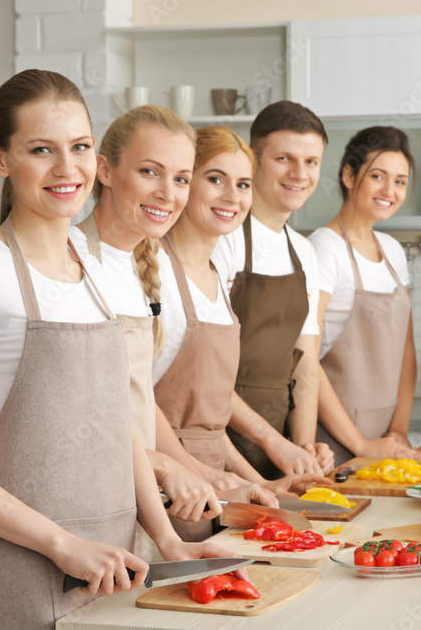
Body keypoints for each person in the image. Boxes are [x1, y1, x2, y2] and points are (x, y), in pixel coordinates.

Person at [0, 70, 242, 630]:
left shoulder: (96, 270)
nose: (68, 169)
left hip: (113, 571)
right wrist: (61, 544)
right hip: (13, 577)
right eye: (41, 150)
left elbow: (115, 424)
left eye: (79, 147)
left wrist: (166, 540)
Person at [67, 108, 280, 534]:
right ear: (104, 170)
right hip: (83, 497)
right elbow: (76, 414)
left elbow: (139, 401)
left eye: (180, 178)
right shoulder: (70, 258)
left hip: (141, 494)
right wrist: (170, 467)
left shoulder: (137, 267)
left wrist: (204, 475)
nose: (168, 193)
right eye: (150, 172)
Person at [150, 125, 332, 538]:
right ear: (184, 183)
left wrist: (259, 483)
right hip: (169, 488)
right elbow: (137, 402)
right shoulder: (157, 270)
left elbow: (209, 424)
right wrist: (200, 472)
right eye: (215, 179)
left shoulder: (214, 276)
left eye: (242, 184)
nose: (232, 196)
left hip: (215, 485)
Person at [212, 101, 333, 478]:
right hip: (219, 443)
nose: (300, 173)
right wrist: (274, 443)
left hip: (278, 448)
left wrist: (303, 448)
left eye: (311, 162)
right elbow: (205, 373)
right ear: (254, 161)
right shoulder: (223, 239)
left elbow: (306, 363)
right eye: (285, 158)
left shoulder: (304, 251)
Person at [309, 126, 421, 466]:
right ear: (348, 174)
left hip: (385, 440)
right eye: (378, 176)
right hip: (334, 441)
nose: (390, 190)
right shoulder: (323, 248)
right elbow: (305, 360)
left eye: (400, 181)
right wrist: (359, 444)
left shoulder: (392, 252)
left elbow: (406, 349)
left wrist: (398, 433)